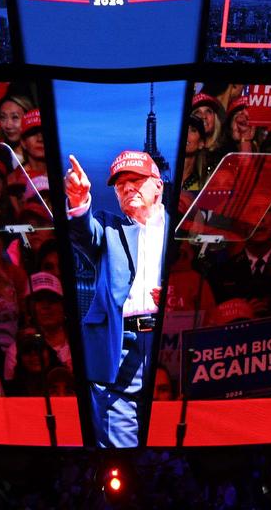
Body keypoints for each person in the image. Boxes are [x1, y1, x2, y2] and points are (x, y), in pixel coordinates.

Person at [65, 150, 165, 448]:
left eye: (136, 180)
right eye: (120, 185)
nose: (127, 188)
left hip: (169, 342)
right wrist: (78, 200)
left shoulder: (180, 228)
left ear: (158, 185)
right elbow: (84, 233)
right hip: (121, 344)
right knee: (119, 444)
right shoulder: (109, 228)